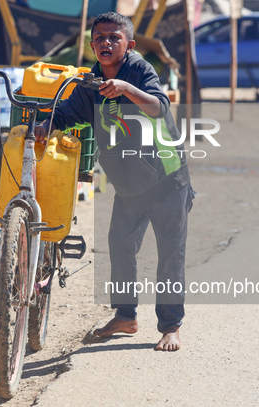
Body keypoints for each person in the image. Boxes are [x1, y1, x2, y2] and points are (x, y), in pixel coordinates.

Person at [34, 12, 193, 351]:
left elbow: (160, 108)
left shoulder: (139, 70)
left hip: (166, 179)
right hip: (129, 184)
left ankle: (171, 327)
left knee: (170, 253)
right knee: (120, 246)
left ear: (129, 44)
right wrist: (47, 124)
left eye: (114, 37)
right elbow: (66, 113)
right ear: (92, 45)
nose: (106, 42)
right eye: (100, 37)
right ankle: (126, 316)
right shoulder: (90, 82)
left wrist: (126, 89)